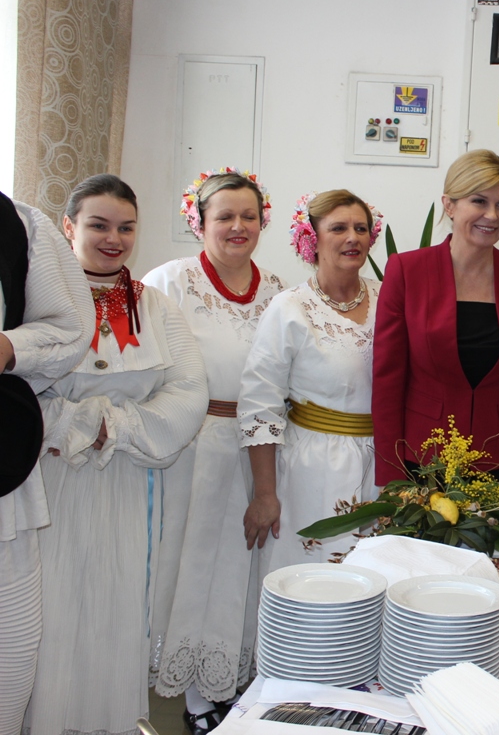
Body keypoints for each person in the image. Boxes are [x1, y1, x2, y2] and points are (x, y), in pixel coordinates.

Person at [26, 175, 208, 735]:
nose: (114, 239)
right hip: (51, 477)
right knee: (50, 609)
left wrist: (118, 428)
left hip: (129, 478)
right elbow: (18, 391)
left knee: (116, 604)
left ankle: (107, 723)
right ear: (68, 227)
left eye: (126, 227)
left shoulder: (157, 307)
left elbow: (188, 391)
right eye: (99, 225)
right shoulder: (37, 302)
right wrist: (77, 425)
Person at [144, 169, 285, 733]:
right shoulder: (169, 281)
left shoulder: (279, 291)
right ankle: (192, 695)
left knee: (243, 567)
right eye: (224, 216)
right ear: (198, 221)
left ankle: (230, 682)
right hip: (191, 445)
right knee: (190, 563)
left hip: (260, 448)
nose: (237, 226)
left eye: (248, 215)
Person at [373, 149, 499, 496]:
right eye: (479, 201)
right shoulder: (407, 271)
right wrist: (390, 475)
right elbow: (387, 382)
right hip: (422, 463)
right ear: (449, 205)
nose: (492, 215)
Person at [238, 190, 382, 571]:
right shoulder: (290, 308)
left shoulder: (389, 299)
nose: (352, 237)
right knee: (312, 581)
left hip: (379, 470)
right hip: (313, 469)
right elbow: (259, 403)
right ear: (311, 239)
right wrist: (265, 494)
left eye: (361, 228)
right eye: (338, 228)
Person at [0, 192, 94, 735]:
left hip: (1, 481)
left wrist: (9, 346)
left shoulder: (18, 223)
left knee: (10, 648)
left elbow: (68, 326)